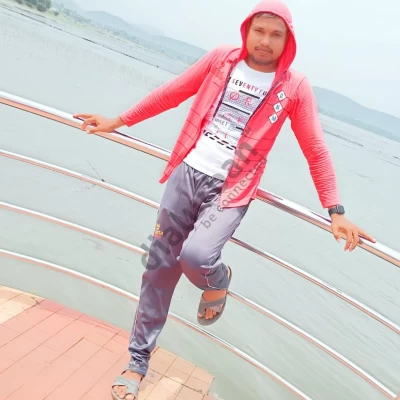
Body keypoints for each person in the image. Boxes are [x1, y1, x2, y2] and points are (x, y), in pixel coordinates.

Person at [74, 1, 375, 398]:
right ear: (246, 31)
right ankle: (137, 362)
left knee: (197, 256)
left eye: (276, 34)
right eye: (259, 31)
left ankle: (218, 280)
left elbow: (315, 148)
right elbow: (172, 92)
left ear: (288, 41)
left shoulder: (293, 87)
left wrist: (335, 210)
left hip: (231, 190)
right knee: (159, 270)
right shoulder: (221, 59)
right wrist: (119, 120)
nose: (265, 41)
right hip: (186, 175)